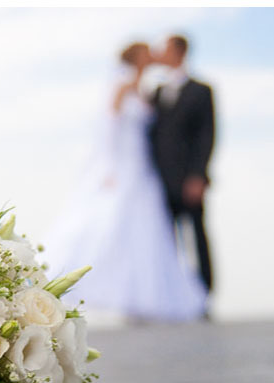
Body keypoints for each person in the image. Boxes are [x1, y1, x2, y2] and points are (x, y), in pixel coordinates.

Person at [44, 42, 207, 323]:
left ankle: (143, 297)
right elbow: (107, 127)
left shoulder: (147, 90)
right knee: (111, 225)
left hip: (144, 168)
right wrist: (108, 167)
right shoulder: (120, 86)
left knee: (147, 232)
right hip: (122, 165)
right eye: (147, 53)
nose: (153, 56)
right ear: (135, 58)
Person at [147, 35, 217, 296]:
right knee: (164, 241)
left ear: (179, 52)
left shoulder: (201, 90)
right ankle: (172, 296)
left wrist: (198, 175)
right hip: (158, 180)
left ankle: (204, 294)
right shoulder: (155, 93)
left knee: (197, 236)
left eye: (163, 49)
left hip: (189, 180)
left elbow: (207, 135)